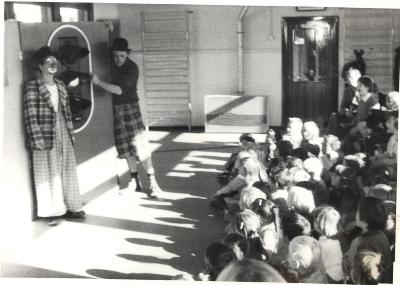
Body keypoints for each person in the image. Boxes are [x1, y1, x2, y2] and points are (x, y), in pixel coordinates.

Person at [90, 38, 163, 198]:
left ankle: (153, 183)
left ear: (127, 54)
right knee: (124, 147)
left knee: (140, 146)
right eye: (116, 56)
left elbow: (119, 90)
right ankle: (135, 182)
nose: (118, 59)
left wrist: (99, 82)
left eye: (122, 56)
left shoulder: (131, 68)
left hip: (130, 108)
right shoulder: (111, 65)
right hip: (115, 110)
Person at [24, 46, 85, 222]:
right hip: (43, 134)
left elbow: (65, 111)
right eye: (48, 61)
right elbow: (30, 115)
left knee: (68, 167)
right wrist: (37, 139)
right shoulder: (32, 87)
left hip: (63, 130)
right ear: (41, 66)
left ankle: (73, 207)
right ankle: (54, 210)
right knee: (49, 171)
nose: (53, 64)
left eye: (54, 61)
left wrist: (70, 132)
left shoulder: (60, 85)